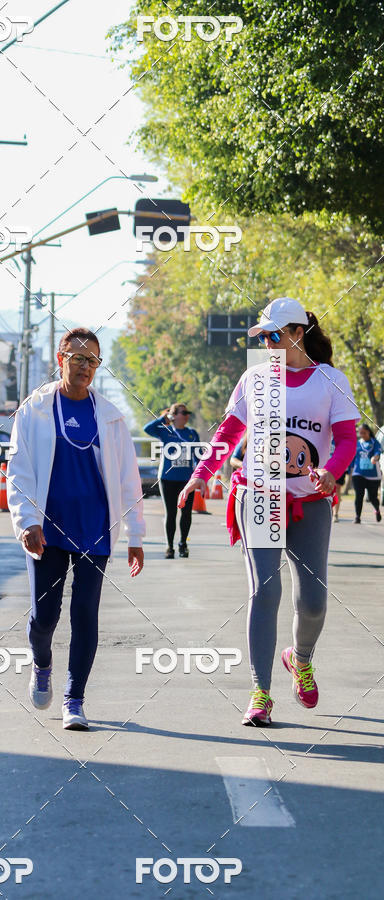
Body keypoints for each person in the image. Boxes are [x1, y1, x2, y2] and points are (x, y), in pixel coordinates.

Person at [179, 297, 359, 727]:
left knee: (312, 603)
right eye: (263, 337)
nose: (268, 343)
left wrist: (332, 473)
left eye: (274, 336)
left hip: (311, 501)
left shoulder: (331, 381)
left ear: (298, 334)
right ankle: (260, 693)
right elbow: (228, 434)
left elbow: (347, 440)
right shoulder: (255, 378)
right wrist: (202, 474)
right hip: (257, 496)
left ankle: (301, 658)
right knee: (266, 591)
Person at [7, 327, 145, 731]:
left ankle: (75, 699)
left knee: (85, 613)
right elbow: (19, 470)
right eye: (78, 358)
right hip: (47, 528)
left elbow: (127, 479)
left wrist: (135, 535)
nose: (85, 367)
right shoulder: (33, 410)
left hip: (95, 529)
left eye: (93, 361)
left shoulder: (110, 416)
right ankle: (42, 663)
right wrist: (27, 521)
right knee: (44, 616)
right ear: (60, 358)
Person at [143, 403, 200, 558]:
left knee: (186, 512)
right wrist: (164, 418)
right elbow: (147, 429)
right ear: (174, 416)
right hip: (167, 478)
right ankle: (169, 546)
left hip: (186, 480)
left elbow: (198, 456)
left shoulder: (192, 433)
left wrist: (200, 477)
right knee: (171, 513)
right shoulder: (165, 432)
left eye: (188, 413)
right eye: (183, 413)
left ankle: (183, 544)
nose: (187, 415)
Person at [351, 423, 382, 523]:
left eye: (364, 433)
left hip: (373, 476)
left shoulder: (375, 442)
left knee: (373, 497)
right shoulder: (357, 444)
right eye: (360, 433)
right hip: (358, 473)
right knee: (359, 495)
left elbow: (378, 452)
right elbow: (352, 457)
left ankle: (377, 510)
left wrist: (375, 458)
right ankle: (357, 517)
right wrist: (349, 469)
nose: (362, 435)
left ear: (368, 432)